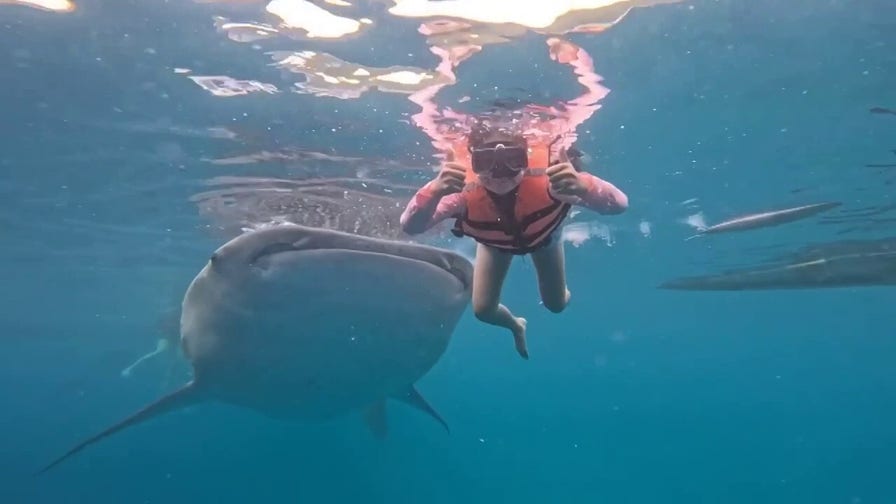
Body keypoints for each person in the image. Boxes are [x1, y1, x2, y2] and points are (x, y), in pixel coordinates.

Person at [399, 125, 628, 359]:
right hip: (495, 245)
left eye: (511, 159)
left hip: (546, 238)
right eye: (486, 160)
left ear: (525, 157)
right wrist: (434, 191)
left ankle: (564, 291)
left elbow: (619, 204)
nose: (500, 173)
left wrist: (583, 186)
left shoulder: (553, 181)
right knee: (483, 311)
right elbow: (411, 226)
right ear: (473, 161)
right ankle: (516, 325)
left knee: (556, 304)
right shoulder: (461, 194)